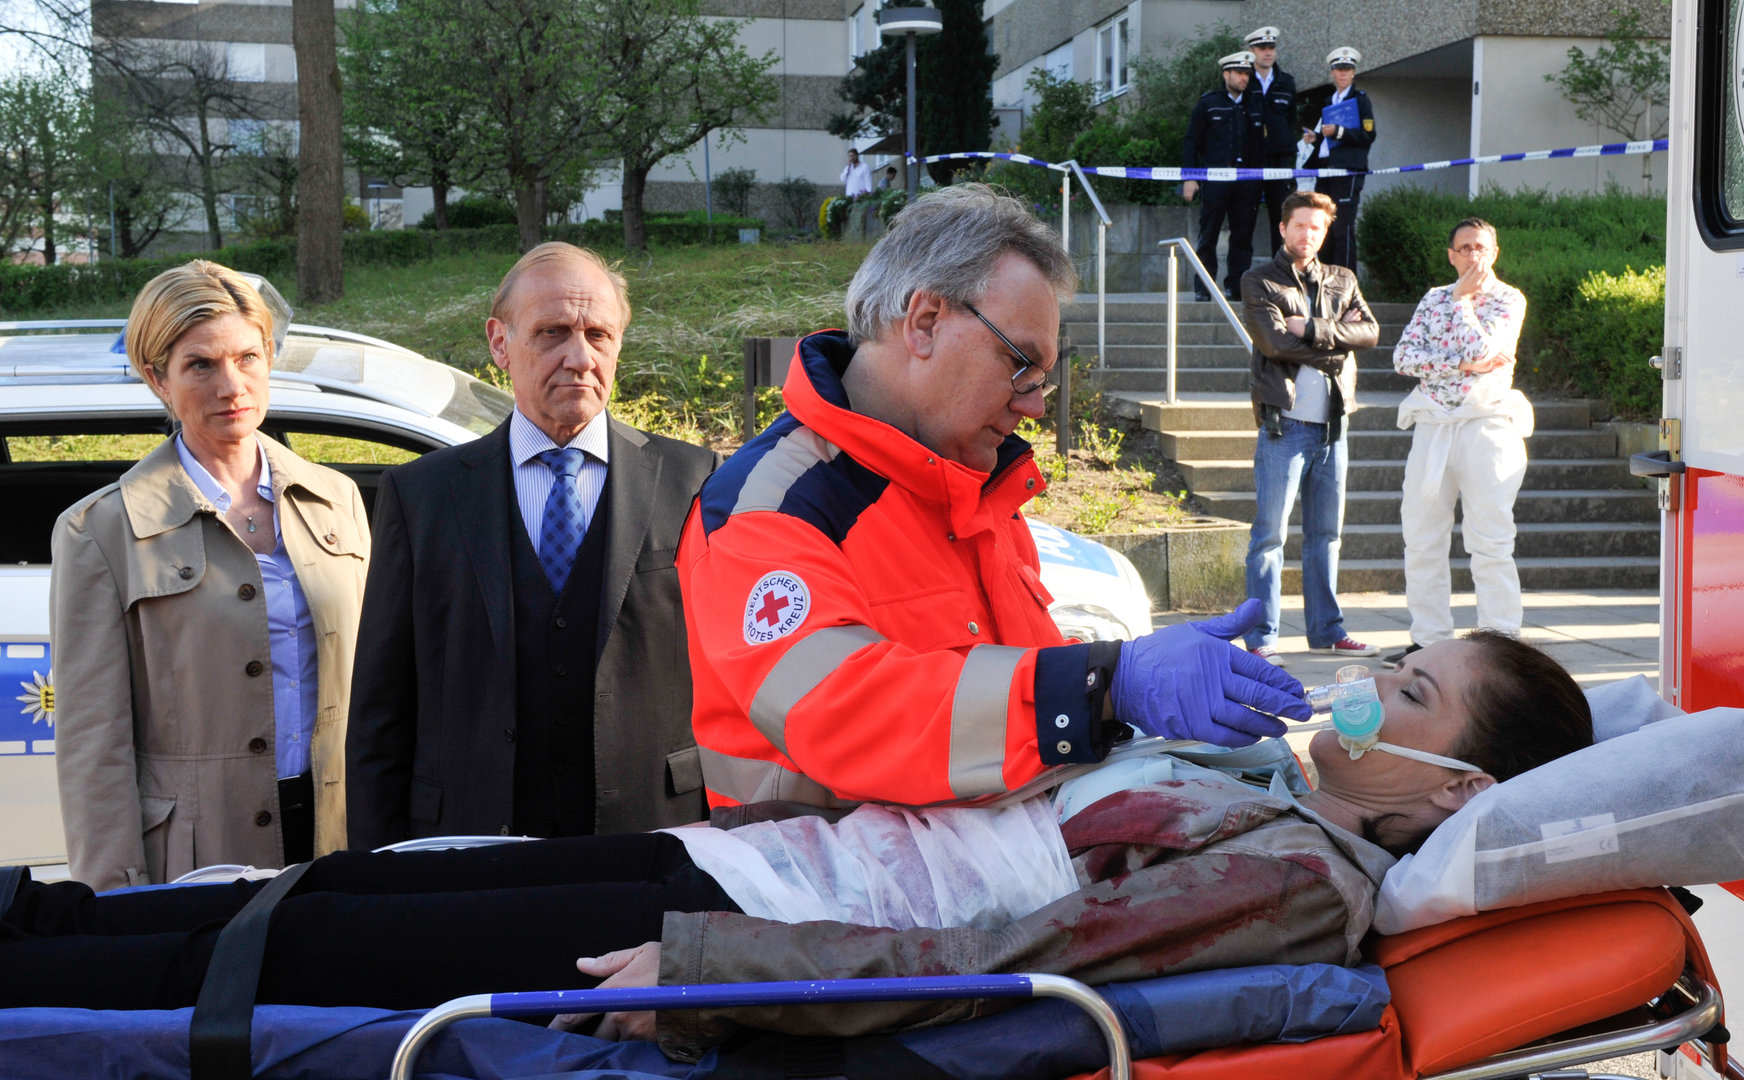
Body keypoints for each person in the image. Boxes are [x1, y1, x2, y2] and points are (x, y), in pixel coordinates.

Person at [0, 631, 1594, 1065]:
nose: (1374, 682)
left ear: (1453, 790)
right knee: (333, 892)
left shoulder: (1298, 880)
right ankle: (31, 925)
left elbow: (1011, 967)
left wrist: (712, 977)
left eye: (1414, 689)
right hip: (750, 865)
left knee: (304, 955)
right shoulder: (1263, 780)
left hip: (732, 930)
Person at [677, 183, 1307, 813]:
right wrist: (1107, 682)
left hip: (974, 883)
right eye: (1020, 366)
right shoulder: (768, 508)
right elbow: (845, 713)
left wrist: (1121, 691)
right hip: (819, 893)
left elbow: (1015, 686)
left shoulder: (970, 488)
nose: (1034, 404)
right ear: (925, 322)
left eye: (1043, 380)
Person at [346, 242, 720, 849]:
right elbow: (380, 713)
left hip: (652, 837)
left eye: (598, 334)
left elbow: (731, 676)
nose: (579, 357)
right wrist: (374, 873)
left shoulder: (694, 480)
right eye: (552, 333)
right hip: (469, 849)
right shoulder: (423, 496)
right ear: (500, 343)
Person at [49, 261, 371, 891]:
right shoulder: (99, 530)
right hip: (196, 858)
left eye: (248, 357)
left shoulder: (338, 499)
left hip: (340, 837)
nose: (233, 385)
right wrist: (115, 901)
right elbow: (95, 749)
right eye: (201, 365)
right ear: (157, 378)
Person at [1239, 190, 1380, 664]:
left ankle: (1327, 630)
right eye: (1299, 225)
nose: (1307, 234)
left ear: (1325, 232)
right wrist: (1336, 344)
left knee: (1326, 535)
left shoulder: (1342, 279)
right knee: (1269, 537)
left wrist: (1313, 328)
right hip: (1285, 427)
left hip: (1333, 427)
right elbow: (1273, 343)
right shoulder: (1258, 280)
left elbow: (1372, 333)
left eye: (1316, 228)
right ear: (1282, 228)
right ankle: (1261, 639)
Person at [1389, 218, 1531, 664]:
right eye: (1465, 248)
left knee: (1490, 539)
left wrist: (1463, 305)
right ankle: (1428, 639)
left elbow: (1484, 354)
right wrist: (1465, 362)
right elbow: (1403, 358)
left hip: (1486, 427)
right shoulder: (1433, 298)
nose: (1473, 256)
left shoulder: (1509, 299)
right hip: (1433, 426)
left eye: (1481, 248)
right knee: (1422, 537)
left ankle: (1501, 641)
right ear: (1451, 255)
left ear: (1495, 252)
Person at [1181, 51, 1268, 302]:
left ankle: (1236, 287)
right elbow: (1191, 141)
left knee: (1243, 237)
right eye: (1239, 73)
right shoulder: (1209, 103)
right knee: (1208, 235)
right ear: (1226, 74)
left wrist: (1259, 179)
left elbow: (1261, 145)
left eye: (1247, 74)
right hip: (1215, 180)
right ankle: (1204, 287)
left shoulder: (1253, 104)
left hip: (1246, 182)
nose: (1244, 78)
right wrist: (1190, 177)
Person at [1297, 47, 1375, 271]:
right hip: (1326, 168)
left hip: (1347, 169)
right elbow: (1329, 137)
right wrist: (1317, 136)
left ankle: (1346, 280)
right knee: (1324, 226)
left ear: (1353, 73)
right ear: (1332, 73)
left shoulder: (1360, 100)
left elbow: (1368, 135)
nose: (1343, 74)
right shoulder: (1328, 100)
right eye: (1339, 70)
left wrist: (1339, 132)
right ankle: (1324, 277)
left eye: (1347, 70)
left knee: (1343, 228)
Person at [1243, 26, 1298, 260]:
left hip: (1279, 159)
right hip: (1250, 159)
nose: (1268, 53)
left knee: (1282, 219)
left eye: (1271, 48)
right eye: (1262, 48)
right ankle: (1237, 282)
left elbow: (1291, 119)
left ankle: (1282, 274)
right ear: (1252, 50)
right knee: (1244, 218)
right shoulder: (1245, 80)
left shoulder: (1286, 82)